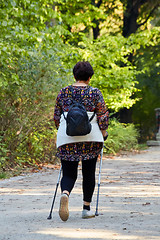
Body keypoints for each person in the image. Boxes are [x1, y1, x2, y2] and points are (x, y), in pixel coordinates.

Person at [54, 61, 109, 221]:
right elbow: (103, 117)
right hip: (90, 138)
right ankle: (86, 208)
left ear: (74, 75)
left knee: (69, 172)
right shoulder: (95, 93)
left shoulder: (63, 92)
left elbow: (57, 117)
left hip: (67, 138)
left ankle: (65, 194)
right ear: (90, 77)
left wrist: (62, 130)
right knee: (89, 172)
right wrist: (104, 133)